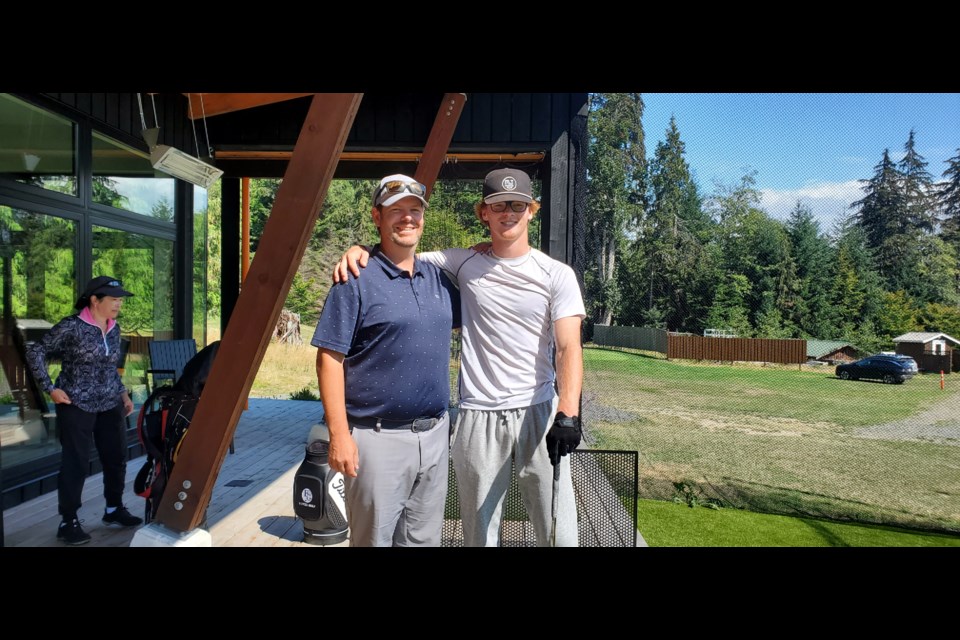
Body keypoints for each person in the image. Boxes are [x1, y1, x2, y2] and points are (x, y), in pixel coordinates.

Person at [335, 168, 585, 547]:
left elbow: (569, 346)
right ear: (483, 212)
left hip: (538, 409)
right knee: (479, 535)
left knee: (559, 531)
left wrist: (568, 411)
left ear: (532, 210)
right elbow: (399, 250)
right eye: (498, 205)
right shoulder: (460, 262)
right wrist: (361, 251)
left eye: (517, 204)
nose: (508, 213)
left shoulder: (557, 274)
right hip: (477, 416)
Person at [311, 174, 461, 547]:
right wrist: (339, 436)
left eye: (414, 211)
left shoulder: (438, 279)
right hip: (377, 440)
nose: (407, 218)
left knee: (424, 541)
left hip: (435, 434)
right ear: (378, 217)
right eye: (397, 211)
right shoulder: (355, 278)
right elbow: (329, 358)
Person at [26, 276, 143, 545]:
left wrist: (122, 393)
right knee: (76, 463)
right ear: (94, 300)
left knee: (115, 458)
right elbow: (35, 352)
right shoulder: (71, 326)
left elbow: (109, 366)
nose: (118, 304)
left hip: (109, 403)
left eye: (120, 299)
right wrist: (49, 388)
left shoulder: (113, 328)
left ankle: (113, 510)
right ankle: (68, 521)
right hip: (76, 403)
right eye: (113, 299)